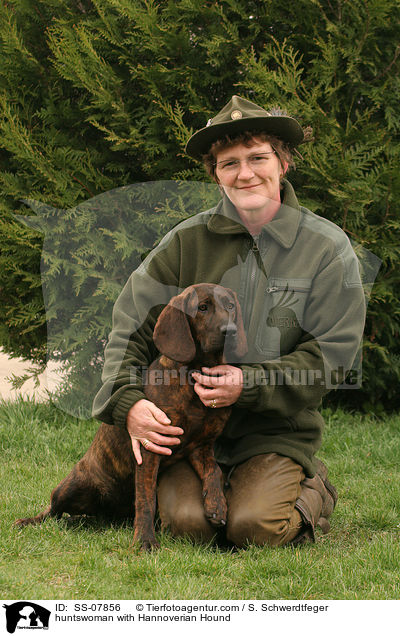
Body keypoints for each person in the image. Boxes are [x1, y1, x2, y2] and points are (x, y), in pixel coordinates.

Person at [92, 95, 366, 546]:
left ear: (283, 163)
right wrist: (128, 403)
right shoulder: (185, 241)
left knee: (252, 528)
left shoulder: (326, 247)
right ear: (216, 175)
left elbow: (331, 357)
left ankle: (313, 487)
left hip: (274, 433)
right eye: (229, 163)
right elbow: (131, 326)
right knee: (188, 526)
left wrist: (249, 383)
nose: (245, 173)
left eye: (258, 157)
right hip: (190, 437)